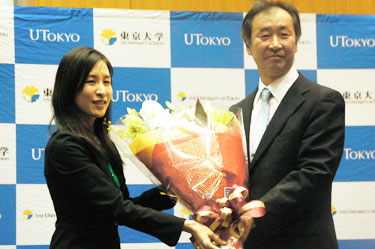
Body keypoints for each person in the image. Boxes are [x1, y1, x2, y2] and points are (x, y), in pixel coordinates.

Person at [44, 46, 229, 249]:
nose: (101, 90)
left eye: (107, 82)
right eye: (91, 81)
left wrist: (174, 188)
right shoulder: (65, 146)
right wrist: (188, 226)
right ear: (70, 87)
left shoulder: (101, 142)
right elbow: (117, 208)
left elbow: (122, 205)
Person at [230, 1, 345, 249]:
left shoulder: (323, 101)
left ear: (296, 42)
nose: (275, 44)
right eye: (264, 35)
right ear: (248, 46)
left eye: (284, 34)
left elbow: (314, 174)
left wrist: (256, 211)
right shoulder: (236, 112)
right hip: (249, 243)